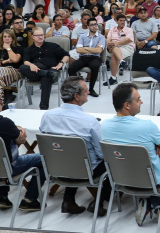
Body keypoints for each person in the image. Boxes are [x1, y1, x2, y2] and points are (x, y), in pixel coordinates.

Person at [101, 82, 160, 225]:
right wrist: (154, 144)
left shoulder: (105, 126)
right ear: (127, 105)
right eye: (138, 99)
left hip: (120, 176)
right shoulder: (147, 126)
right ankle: (154, 201)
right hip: (150, 176)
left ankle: (154, 204)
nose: (141, 102)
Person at [39, 77, 111, 215]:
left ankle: (69, 201)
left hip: (56, 168)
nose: (89, 92)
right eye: (86, 90)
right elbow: (102, 153)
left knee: (68, 155)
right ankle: (98, 202)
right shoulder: (89, 121)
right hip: (85, 171)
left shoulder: (47, 116)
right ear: (77, 96)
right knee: (112, 161)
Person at [20, 27, 69, 111]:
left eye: (42, 35)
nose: (40, 37)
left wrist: (60, 63)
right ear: (33, 37)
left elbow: (66, 55)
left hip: (51, 70)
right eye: (37, 35)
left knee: (46, 77)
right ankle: (46, 73)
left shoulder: (53, 46)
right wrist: (31, 65)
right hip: (35, 72)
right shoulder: (28, 49)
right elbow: (25, 61)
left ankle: (43, 108)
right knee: (22, 67)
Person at [66, 20, 105, 97]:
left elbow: (99, 50)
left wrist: (85, 48)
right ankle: (77, 88)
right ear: (88, 26)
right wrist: (92, 49)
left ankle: (91, 89)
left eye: (95, 24)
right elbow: (78, 50)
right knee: (71, 69)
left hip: (95, 57)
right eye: (92, 25)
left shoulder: (101, 37)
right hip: (83, 57)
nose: (94, 26)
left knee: (95, 67)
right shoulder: (82, 36)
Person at [105, 14, 135, 86]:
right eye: (120, 21)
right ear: (116, 21)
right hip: (112, 47)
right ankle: (122, 61)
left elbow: (127, 40)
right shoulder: (112, 29)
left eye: (124, 21)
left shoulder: (129, 30)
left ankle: (113, 78)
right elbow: (108, 38)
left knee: (114, 53)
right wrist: (109, 43)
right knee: (114, 51)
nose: (122, 22)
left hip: (127, 47)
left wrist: (116, 44)